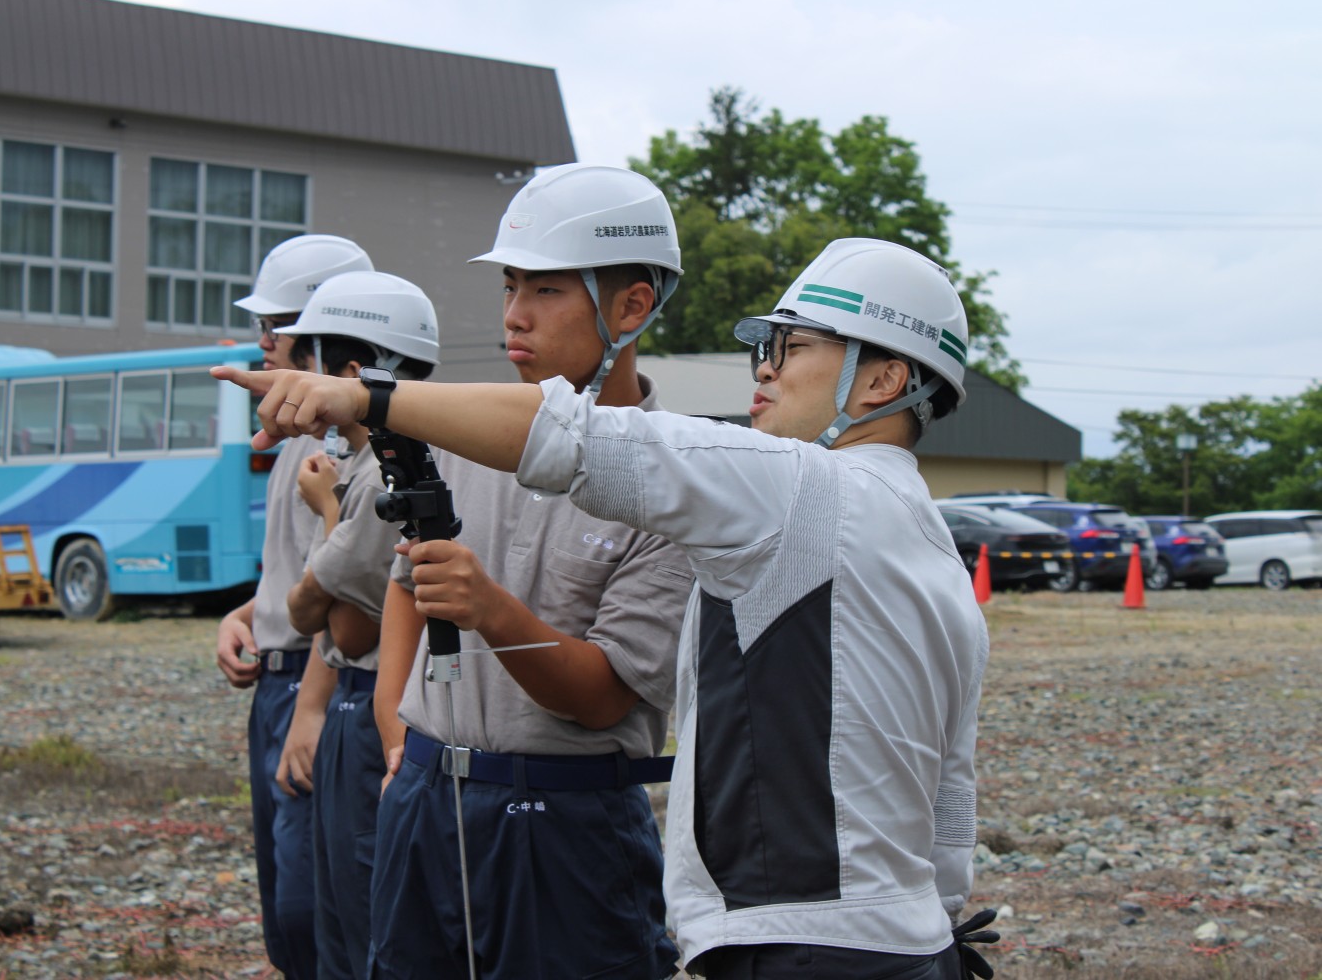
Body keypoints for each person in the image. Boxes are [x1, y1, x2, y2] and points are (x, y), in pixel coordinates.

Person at [214, 237, 991, 979]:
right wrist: (938, 923)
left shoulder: (802, 488)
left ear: (884, 381)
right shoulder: (938, 553)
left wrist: (364, 395)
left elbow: (580, 438)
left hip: (801, 946)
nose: (764, 370)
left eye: (791, 348)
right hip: (908, 942)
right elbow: (952, 801)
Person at [370, 163, 695, 979]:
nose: (514, 315)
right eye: (511, 285)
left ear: (632, 305)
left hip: (569, 821)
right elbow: (408, 586)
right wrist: (393, 739)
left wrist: (489, 609)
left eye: (545, 290)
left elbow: (603, 695)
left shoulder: (677, 483)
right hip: (427, 798)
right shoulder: (465, 435)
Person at [271, 271, 440, 980]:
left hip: (372, 714)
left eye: (307, 360)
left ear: (351, 373)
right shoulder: (357, 465)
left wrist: (328, 517)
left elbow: (331, 620)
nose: (295, 376)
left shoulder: (381, 477)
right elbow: (314, 610)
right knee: (333, 910)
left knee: (365, 921)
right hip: (350, 707)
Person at [213, 234, 372, 980]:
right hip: (276, 682)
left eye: (277, 326)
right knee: (285, 901)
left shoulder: (344, 451)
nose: (264, 343)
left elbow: (347, 592)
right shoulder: (289, 441)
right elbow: (293, 578)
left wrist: (310, 707)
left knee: (318, 909)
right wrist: (244, 614)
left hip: (319, 681)